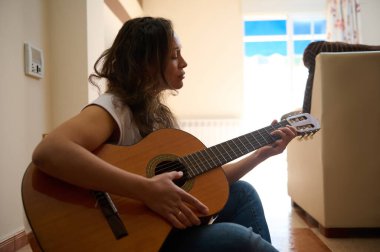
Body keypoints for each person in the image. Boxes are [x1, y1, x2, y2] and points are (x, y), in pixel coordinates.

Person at [32, 16, 297, 251]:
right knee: (238, 239)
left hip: (160, 227)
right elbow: (49, 151)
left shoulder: (156, 116)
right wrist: (145, 190)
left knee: (242, 192)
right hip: (129, 238)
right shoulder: (114, 107)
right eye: (174, 55)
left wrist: (259, 155)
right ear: (147, 63)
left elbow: (206, 182)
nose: (184, 62)